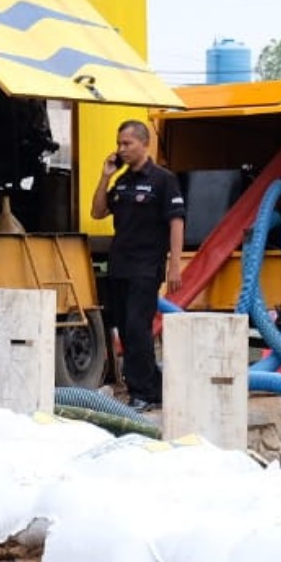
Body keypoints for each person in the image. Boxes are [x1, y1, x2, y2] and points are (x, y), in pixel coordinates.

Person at [89, 119, 185, 412]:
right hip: (120, 266)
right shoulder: (122, 180)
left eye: (127, 144)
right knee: (124, 329)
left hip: (147, 266)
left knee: (137, 327)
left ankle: (142, 392)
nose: (121, 149)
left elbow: (176, 222)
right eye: (119, 144)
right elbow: (97, 212)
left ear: (144, 143)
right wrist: (106, 176)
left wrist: (175, 266)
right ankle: (151, 387)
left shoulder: (163, 180)